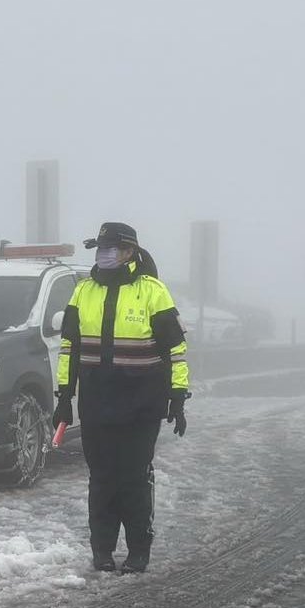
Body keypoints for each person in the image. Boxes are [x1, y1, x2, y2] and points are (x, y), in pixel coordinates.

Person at [52, 222, 190, 573]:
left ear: (130, 251)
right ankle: (102, 550)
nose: (104, 254)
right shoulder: (83, 292)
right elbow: (69, 347)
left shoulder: (153, 291)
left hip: (141, 404)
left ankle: (138, 552)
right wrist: (64, 397)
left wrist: (177, 396)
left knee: (133, 477)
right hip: (96, 402)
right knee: (101, 478)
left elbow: (175, 348)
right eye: (101, 247)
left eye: (112, 247)